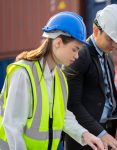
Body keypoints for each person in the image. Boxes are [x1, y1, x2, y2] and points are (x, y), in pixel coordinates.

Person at [0, 12, 104, 150]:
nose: (77, 56)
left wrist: (85, 135)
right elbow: (12, 127)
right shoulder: (23, 73)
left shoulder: (60, 78)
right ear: (58, 43)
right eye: (74, 49)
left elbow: (62, 115)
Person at [63, 4, 117, 150]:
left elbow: (101, 97)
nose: (115, 44)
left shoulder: (107, 55)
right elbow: (71, 104)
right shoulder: (79, 55)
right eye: (111, 39)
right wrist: (101, 133)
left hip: (102, 136)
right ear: (96, 31)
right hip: (83, 141)